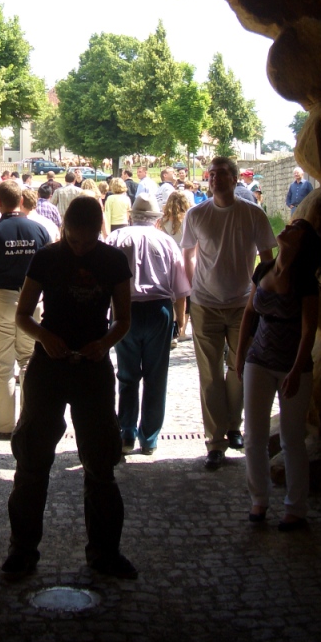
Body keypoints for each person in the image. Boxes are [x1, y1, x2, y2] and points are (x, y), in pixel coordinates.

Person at [3, 196, 136, 581]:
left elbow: (124, 318)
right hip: (49, 367)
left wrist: (104, 344)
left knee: (101, 462)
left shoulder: (113, 261)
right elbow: (22, 314)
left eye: (87, 241)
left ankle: (105, 552)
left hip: (93, 368)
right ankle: (22, 550)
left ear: (99, 231)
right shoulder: (46, 257)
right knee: (32, 460)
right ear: (64, 229)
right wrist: (45, 337)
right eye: (73, 240)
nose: (79, 248)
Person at [182, 156, 276, 470]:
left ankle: (234, 425)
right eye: (211, 174)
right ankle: (215, 441)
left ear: (235, 179)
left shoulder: (252, 213)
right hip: (205, 304)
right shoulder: (197, 214)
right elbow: (188, 255)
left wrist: (262, 297)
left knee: (240, 369)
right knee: (209, 375)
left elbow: (267, 258)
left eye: (222, 173)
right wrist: (192, 291)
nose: (215, 178)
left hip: (243, 305)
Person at [236, 218, 321, 531]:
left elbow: (308, 329)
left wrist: (297, 369)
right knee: (253, 436)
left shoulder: (305, 281)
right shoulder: (264, 269)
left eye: (296, 228)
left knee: (292, 438)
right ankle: (259, 499)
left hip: (291, 364)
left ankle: (295, 507)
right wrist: (240, 353)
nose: (287, 227)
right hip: (258, 359)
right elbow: (249, 313)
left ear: (303, 242)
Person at [107, 194, 190, 456]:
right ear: (156, 219)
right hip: (158, 309)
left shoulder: (116, 238)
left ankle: (126, 432)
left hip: (125, 309)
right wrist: (181, 320)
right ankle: (150, 437)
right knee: (156, 376)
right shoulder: (165, 241)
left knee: (127, 374)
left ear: (131, 216)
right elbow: (180, 288)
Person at [0, 181, 50, 438]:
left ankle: (4, 426)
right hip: (32, 299)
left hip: (1, 298)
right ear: (21, 201)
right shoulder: (39, 230)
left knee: (1, 365)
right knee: (29, 361)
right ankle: (30, 421)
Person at [159, 190, 191, 339]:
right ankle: (182, 330)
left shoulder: (163, 220)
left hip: (169, 259)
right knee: (185, 296)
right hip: (185, 258)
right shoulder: (188, 219)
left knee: (172, 295)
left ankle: (172, 328)